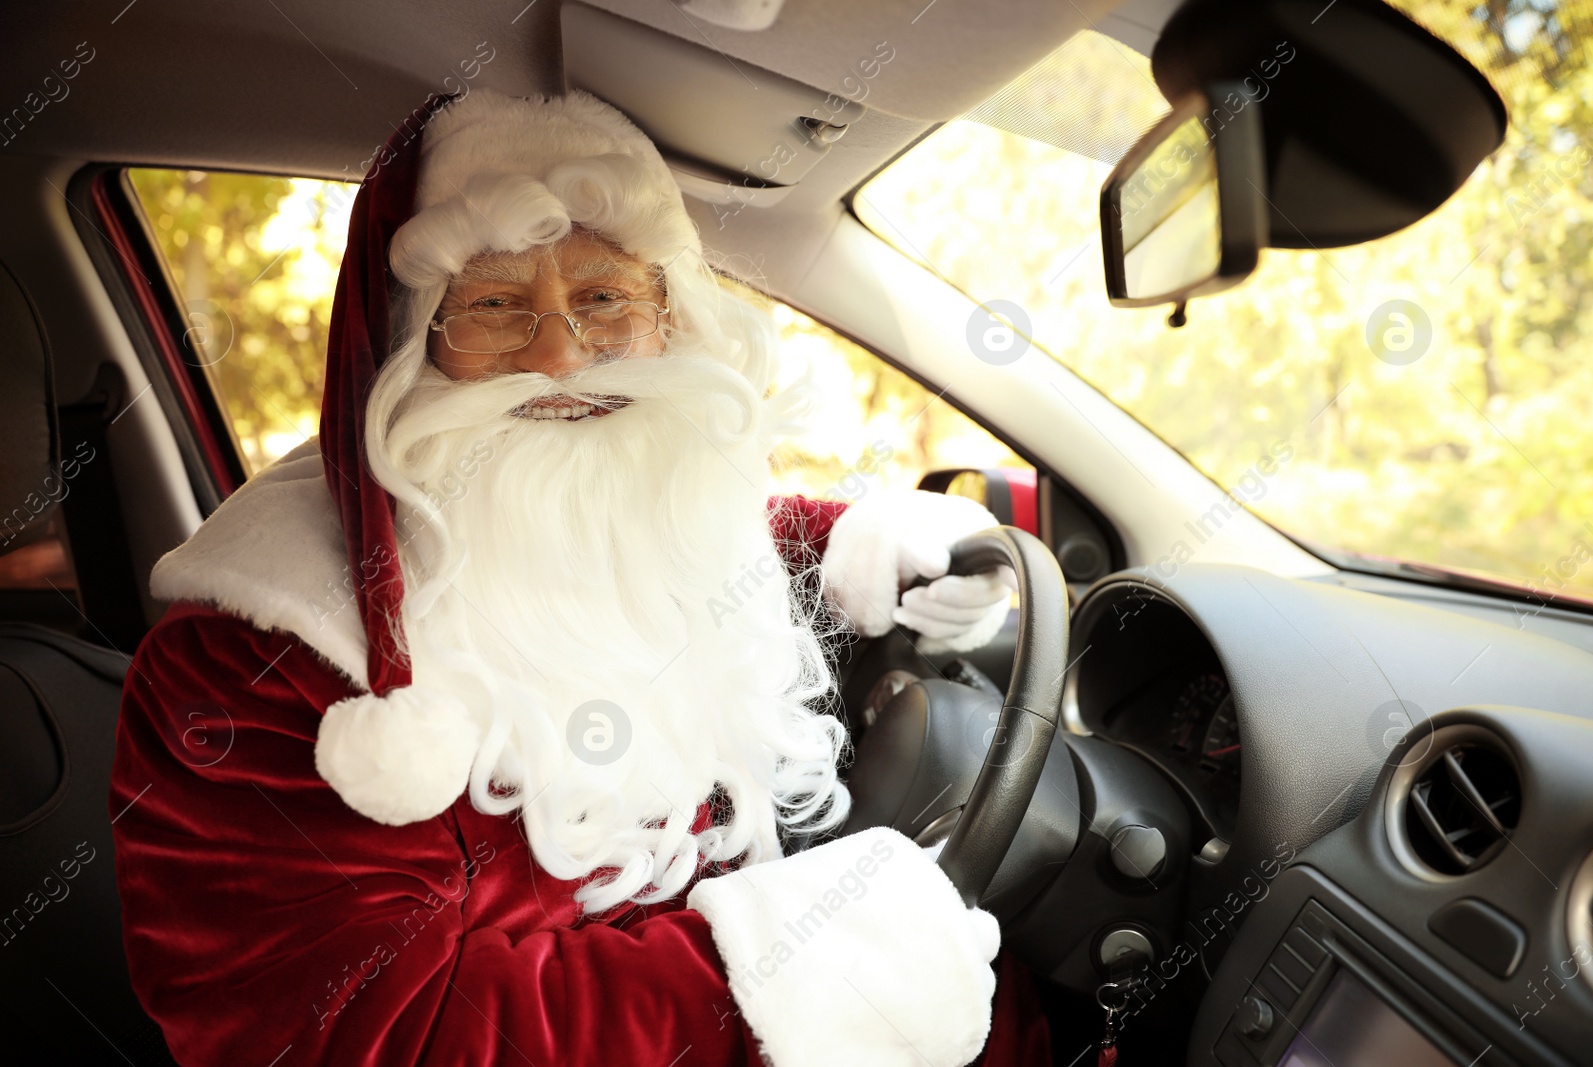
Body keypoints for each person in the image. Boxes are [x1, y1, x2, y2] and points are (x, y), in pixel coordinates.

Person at [110, 89, 1050, 1066]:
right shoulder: (250, 668)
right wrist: (806, 965)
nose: (557, 354)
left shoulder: (615, 508)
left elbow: (641, 536)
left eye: (602, 297)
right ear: (411, 342)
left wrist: (857, 540)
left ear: (670, 320)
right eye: (493, 304)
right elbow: (370, 1036)